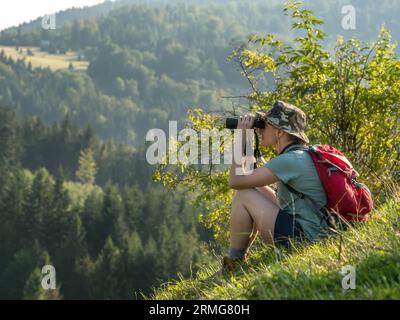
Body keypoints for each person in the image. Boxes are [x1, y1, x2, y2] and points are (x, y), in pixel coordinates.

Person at [223, 101, 329, 271]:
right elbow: (248, 176)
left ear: (279, 132)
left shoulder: (289, 160)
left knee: (244, 195)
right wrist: (248, 139)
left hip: (305, 239)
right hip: (315, 230)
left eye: (266, 125)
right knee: (253, 189)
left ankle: (234, 261)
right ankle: (235, 257)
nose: (261, 129)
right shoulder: (301, 155)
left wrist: (239, 139)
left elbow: (235, 181)